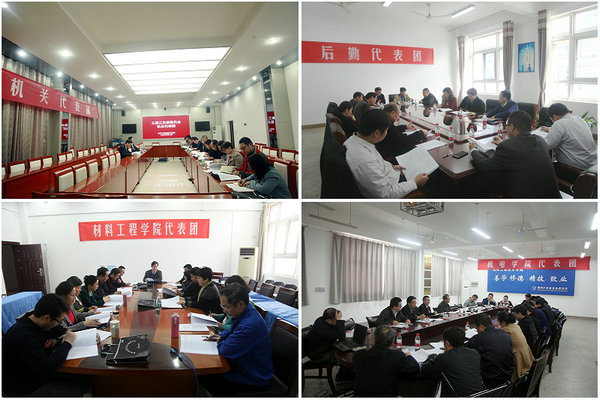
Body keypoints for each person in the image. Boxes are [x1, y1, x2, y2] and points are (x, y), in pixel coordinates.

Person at [2, 293, 81, 396]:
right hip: (23, 386)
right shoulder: (24, 336)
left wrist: (79, 335)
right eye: (59, 321)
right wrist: (67, 343)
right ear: (46, 318)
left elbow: (62, 331)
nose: (58, 324)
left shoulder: (40, 321)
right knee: (75, 389)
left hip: (37, 372)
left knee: (80, 376)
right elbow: (48, 368)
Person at [469, 110, 561, 198]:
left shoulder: (508, 147)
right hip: (552, 198)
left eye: (507, 126)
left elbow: (484, 165)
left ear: (511, 127)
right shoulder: (540, 140)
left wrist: (473, 150)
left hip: (528, 202)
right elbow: (522, 150)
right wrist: (504, 143)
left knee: (481, 181)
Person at [202, 283, 273, 395]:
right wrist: (220, 336)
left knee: (201, 377)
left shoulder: (250, 325)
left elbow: (225, 350)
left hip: (251, 376)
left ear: (240, 304)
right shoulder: (246, 312)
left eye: (227, 307)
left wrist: (221, 341)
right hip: (242, 365)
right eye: (222, 307)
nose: (224, 311)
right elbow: (232, 329)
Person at [344, 109, 429, 198]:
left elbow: (376, 164)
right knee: (432, 182)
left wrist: (392, 168)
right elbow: (387, 194)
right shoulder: (365, 160)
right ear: (377, 133)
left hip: (391, 175)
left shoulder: (355, 140)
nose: (387, 132)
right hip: (395, 186)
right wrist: (415, 182)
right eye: (387, 130)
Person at [353, 325, 420, 397]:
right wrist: (409, 356)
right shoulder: (396, 356)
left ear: (373, 340)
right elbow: (415, 368)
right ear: (393, 342)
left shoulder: (358, 355)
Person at [421, 326, 486, 396]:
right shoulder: (474, 353)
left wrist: (432, 357)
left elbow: (425, 369)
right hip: (481, 394)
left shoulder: (444, 358)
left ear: (447, 343)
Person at [541, 103, 597, 171]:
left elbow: (547, 145)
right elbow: (568, 130)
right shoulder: (579, 119)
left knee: (545, 166)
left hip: (577, 167)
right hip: (592, 162)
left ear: (554, 116)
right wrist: (549, 129)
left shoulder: (559, 123)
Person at [465, 314, 514, 388]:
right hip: (509, 377)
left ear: (481, 326)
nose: (477, 331)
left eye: (477, 329)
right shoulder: (504, 333)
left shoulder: (480, 338)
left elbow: (463, 349)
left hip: (492, 381)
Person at [497, 311, 534, 381]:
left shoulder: (506, 330)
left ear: (503, 322)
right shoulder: (516, 326)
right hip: (527, 355)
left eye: (498, 322)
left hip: (518, 358)